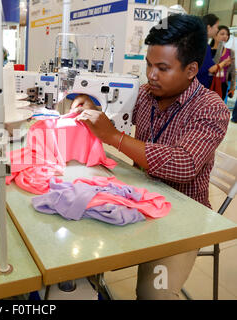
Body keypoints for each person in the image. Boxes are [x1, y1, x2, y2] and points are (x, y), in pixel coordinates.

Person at [71, 14, 230, 299]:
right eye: (148, 64)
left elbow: (184, 164)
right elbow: (112, 117)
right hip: (136, 201)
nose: (151, 74)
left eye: (162, 68)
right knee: (74, 253)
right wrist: (91, 106)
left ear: (192, 69)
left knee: (153, 294)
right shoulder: (144, 95)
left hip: (181, 221)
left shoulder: (210, 108)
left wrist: (114, 137)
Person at [197, 14, 231, 89]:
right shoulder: (204, 47)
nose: (217, 30)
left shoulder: (200, 44)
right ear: (209, 27)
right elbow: (211, 69)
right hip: (201, 86)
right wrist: (224, 62)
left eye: (227, 34)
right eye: (216, 27)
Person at [210, 26, 235, 101]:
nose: (225, 36)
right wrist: (220, 44)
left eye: (227, 34)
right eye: (222, 34)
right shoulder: (208, 50)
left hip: (223, 84)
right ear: (215, 35)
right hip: (210, 83)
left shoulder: (230, 51)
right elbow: (213, 66)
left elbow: (233, 71)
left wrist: (232, 88)